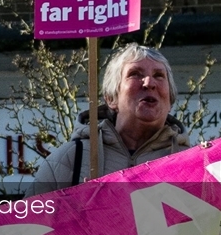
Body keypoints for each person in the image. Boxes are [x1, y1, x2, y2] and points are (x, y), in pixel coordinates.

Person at [30, 43, 191, 194]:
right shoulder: (68, 160)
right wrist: (78, 209)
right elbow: (27, 222)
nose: (149, 82)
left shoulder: (193, 164)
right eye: (135, 74)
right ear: (111, 98)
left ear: (170, 100)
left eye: (159, 75)